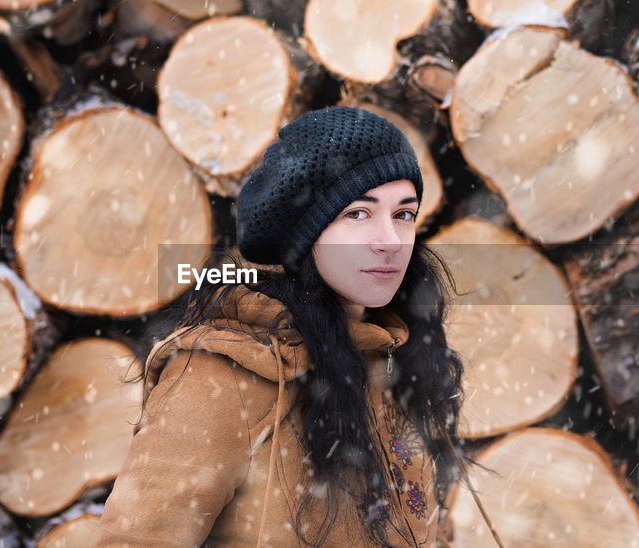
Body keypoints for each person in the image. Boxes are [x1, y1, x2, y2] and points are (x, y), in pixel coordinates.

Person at [98, 106, 501, 547]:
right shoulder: (223, 379)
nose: (389, 240)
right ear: (303, 236)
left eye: (403, 214)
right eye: (358, 214)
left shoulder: (396, 358)